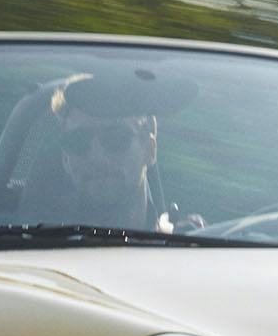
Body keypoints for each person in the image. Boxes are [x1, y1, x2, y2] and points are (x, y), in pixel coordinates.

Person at [25, 70, 198, 230]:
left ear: (150, 150)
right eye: (78, 141)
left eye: (117, 138)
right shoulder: (29, 250)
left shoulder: (189, 250)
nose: (97, 156)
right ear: (66, 159)